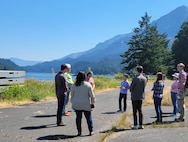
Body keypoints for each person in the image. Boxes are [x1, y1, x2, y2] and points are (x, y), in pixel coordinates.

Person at [71, 71, 96, 136]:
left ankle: (79, 132)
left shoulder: (74, 85)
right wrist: (92, 103)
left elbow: (72, 96)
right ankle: (91, 131)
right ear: (85, 77)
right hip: (86, 103)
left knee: (78, 118)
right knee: (88, 118)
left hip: (77, 103)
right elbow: (92, 96)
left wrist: (72, 103)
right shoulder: (88, 85)